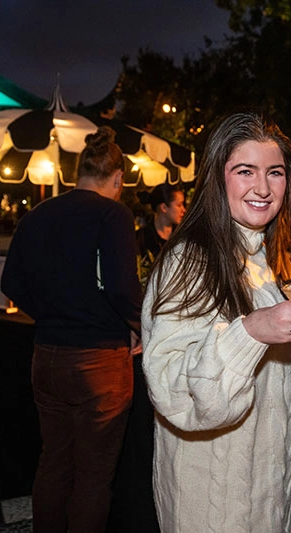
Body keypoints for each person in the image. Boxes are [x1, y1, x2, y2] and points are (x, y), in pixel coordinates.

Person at [142, 112, 291, 532]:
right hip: (217, 505)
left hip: (274, 494)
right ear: (217, 179)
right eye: (245, 171)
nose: (263, 188)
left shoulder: (263, 258)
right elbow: (175, 392)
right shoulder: (190, 261)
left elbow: (261, 373)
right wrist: (252, 331)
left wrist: (290, 401)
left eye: (275, 173)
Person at [1, 126, 143, 533]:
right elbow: (121, 287)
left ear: (76, 173)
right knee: (94, 475)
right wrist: (139, 328)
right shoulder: (113, 213)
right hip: (98, 361)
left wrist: (50, 313)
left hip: (46, 356)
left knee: (54, 462)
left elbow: (11, 284)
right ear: (117, 178)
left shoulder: (37, 214)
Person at [106, 184, 185, 533]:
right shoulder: (137, 242)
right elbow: (124, 289)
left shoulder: (185, 242)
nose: (185, 209)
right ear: (163, 208)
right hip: (143, 338)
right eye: (180, 204)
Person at [135, 183, 186, 286]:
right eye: (179, 205)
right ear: (164, 207)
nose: (183, 210)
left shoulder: (183, 237)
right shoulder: (140, 238)